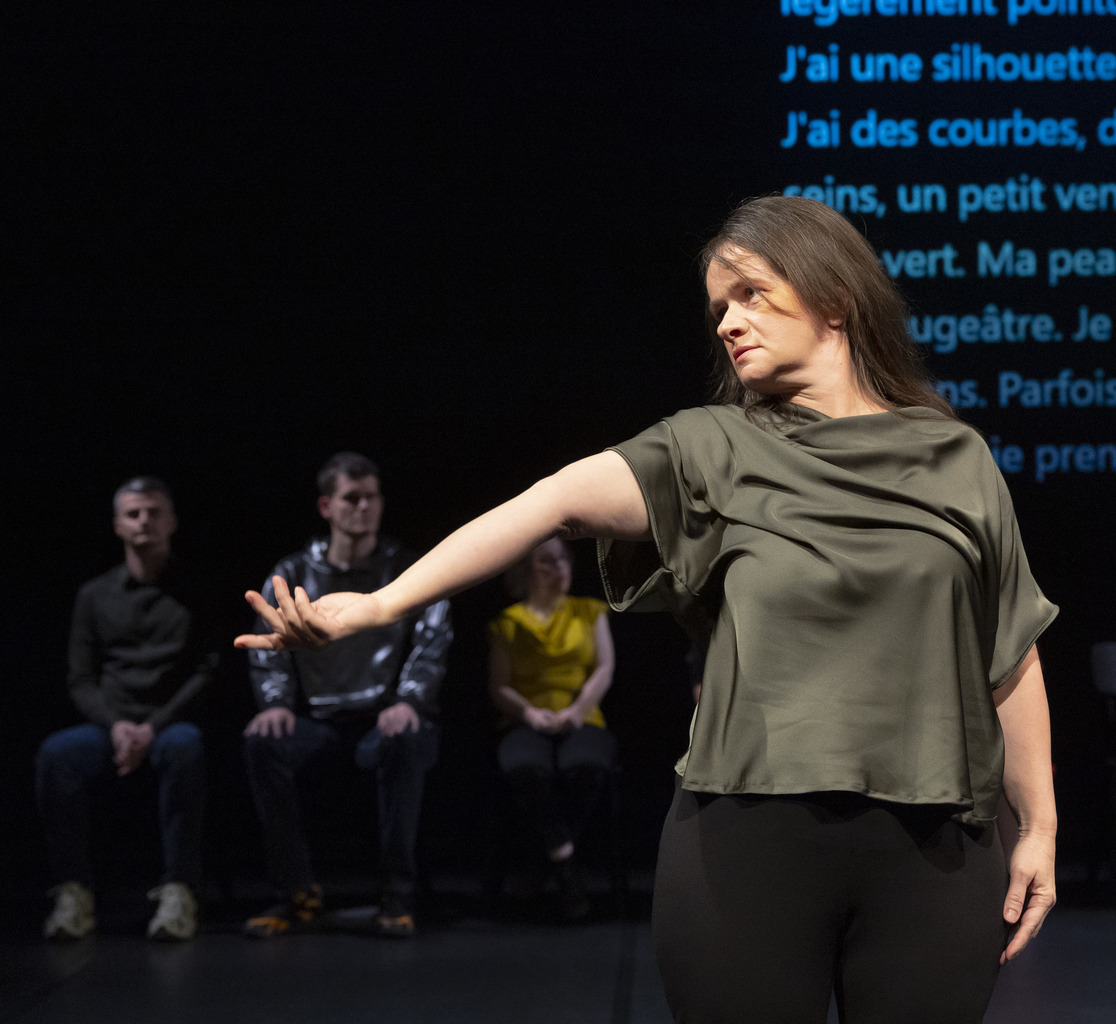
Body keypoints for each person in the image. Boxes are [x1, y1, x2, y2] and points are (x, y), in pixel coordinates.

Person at [237, 196, 1059, 1023]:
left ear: (834, 298)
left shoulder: (955, 457)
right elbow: (548, 502)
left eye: (750, 294)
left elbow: (1010, 648)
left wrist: (1041, 827)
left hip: (936, 849)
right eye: (718, 309)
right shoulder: (710, 447)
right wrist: (380, 604)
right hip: (748, 841)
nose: (729, 323)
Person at [241, 452, 452, 939]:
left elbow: (433, 638)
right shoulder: (295, 568)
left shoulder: (405, 567)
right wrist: (274, 703)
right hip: (321, 718)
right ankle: (297, 894)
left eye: (371, 497)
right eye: (351, 498)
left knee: (405, 740)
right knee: (262, 743)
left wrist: (409, 699)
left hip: (384, 714)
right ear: (326, 506)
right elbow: (268, 643)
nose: (363, 507)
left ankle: (396, 894)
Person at [36, 477, 214, 941]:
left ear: (171, 521)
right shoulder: (95, 595)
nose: (144, 521)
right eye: (133, 513)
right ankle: (74, 893)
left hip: (168, 723)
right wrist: (116, 726)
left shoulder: (194, 588)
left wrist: (151, 727)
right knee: (57, 755)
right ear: (118, 524)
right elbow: (80, 676)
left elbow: (205, 671)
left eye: (154, 512)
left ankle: (180, 891)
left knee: (186, 747)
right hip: (111, 726)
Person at [486, 537, 618, 918]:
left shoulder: (590, 612)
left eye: (563, 559)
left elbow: (604, 669)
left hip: (581, 715)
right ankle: (564, 865)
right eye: (547, 561)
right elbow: (499, 686)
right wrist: (529, 713)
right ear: (527, 569)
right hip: (525, 718)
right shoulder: (508, 623)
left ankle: (544, 861)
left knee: (587, 767)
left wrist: (578, 709)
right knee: (526, 769)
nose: (559, 567)